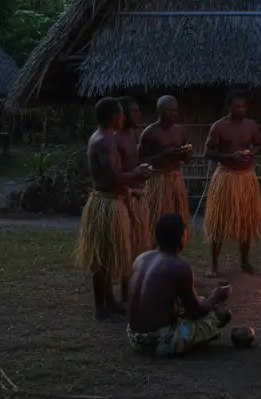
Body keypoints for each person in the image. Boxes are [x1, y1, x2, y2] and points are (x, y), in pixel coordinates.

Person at [75, 97, 152, 319]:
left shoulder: (108, 138)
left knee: (108, 255)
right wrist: (137, 175)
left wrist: (136, 173)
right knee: (101, 258)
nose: (124, 118)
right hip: (106, 202)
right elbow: (113, 178)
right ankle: (101, 307)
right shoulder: (103, 141)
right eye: (122, 114)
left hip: (113, 201)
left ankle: (110, 301)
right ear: (114, 118)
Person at [126, 213, 232, 357]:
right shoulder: (179, 267)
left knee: (198, 303)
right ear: (182, 238)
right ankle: (187, 341)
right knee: (222, 314)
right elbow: (195, 312)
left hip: (133, 335)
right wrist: (215, 298)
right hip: (157, 341)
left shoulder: (141, 258)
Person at [203, 89, 261, 276]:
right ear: (229, 106)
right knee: (219, 222)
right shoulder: (219, 127)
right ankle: (213, 264)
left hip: (246, 178)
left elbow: (260, 145)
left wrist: (252, 152)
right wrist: (230, 156)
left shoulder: (251, 126)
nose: (241, 109)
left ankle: (245, 262)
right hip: (226, 177)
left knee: (247, 220)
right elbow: (208, 153)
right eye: (237, 106)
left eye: (244, 106)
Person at [138, 95, 193, 245]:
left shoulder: (181, 131)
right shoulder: (149, 133)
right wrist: (163, 155)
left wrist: (185, 154)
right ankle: (155, 251)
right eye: (170, 111)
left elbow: (187, 159)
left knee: (177, 219)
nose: (173, 114)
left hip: (176, 180)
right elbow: (141, 160)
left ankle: (174, 250)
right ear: (160, 111)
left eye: (175, 111)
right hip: (157, 181)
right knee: (156, 219)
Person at [117, 96, 152, 301]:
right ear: (123, 114)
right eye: (135, 111)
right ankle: (124, 294)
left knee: (137, 247)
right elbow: (113, 172)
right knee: (125, 248)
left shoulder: (132, 133)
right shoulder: (114, 138)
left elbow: (132, 163)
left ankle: (132, 289)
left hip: (137, 195)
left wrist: (143, 171)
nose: (139, 114)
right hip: (123, 198)